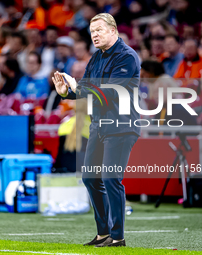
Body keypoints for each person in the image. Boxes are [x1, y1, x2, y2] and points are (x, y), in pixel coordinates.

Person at [52, 13, 140, 248]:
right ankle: (103, 233)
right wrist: (66, 93)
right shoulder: (96, 58)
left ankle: (118, 236)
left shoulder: (127, 57)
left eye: (99, 30)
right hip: (99, 125)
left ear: (114, 31)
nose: (95, 35)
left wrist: (77, 86)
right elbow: (87, 93)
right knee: (90, 178)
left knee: (111, 177)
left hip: (121, 127)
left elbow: (111, 93)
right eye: (92, 31)